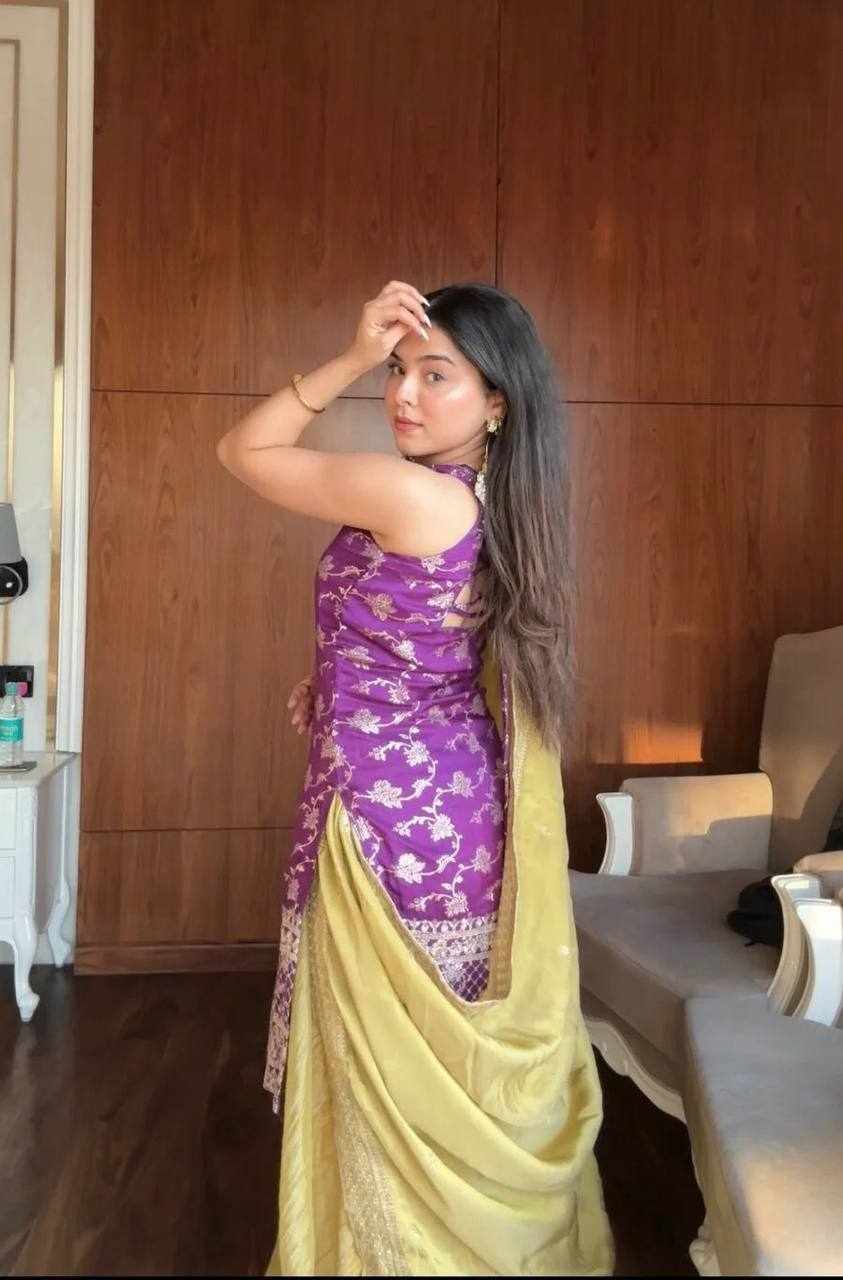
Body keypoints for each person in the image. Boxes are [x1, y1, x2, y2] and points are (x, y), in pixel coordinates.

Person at [216, 279, 614, 1275]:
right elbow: (432, 648)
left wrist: (348, 353)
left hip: (387, 834)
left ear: (496, 402)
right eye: (394, 369)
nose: (401, 392)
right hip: (454, 815)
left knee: (385, 1081)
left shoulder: (414, 493)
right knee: (437, 1078)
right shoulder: (486, 503)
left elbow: (244, 452)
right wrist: (337, 680)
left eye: (437, 375)